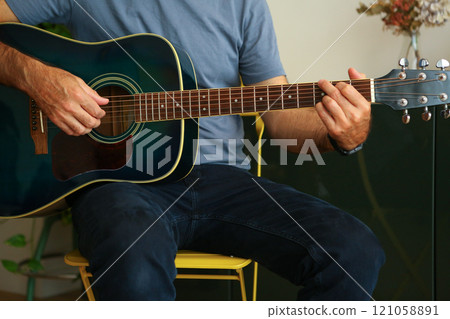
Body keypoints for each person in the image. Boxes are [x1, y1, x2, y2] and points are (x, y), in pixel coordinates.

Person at [0, 0, 385, 300]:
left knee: (352, 247)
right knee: (131, 246)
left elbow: (280, 117)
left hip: (225, 181)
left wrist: (341, 135)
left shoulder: (244, 5)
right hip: (120, 183)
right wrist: (34, 76)